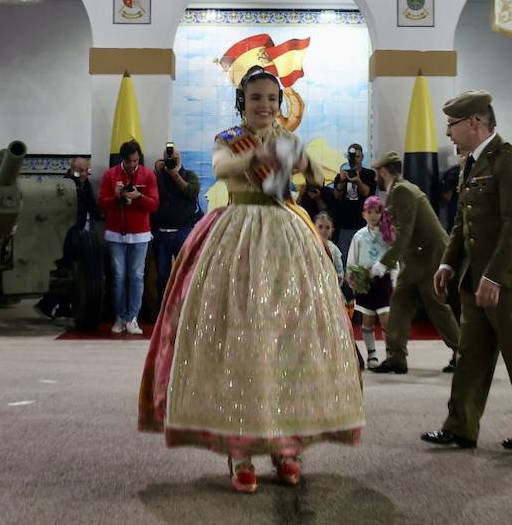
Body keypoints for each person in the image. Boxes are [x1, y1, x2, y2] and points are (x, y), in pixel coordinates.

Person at [139, 65, 364, 493]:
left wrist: (304, 163)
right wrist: (263, 156)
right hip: (237, 235)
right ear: (243, 101)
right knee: (240, 339)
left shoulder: (289, 140)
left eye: (272, 99)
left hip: (288, 237)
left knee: (291, 340)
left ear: (281, 105)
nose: (264, 105)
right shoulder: (229, 137)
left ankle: (287, 445)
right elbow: (224, 167)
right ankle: (239, 450)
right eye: (256, 98)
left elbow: (317, 175)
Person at [422, 90, 512, 451]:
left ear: (475, 123)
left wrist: (495, 276)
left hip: (511, 277)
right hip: (477, 277)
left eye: (452, 124)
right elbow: (463, 224)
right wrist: (449, 262)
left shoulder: (509, 162)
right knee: (472, 356)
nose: (448, 132)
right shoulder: (472, 163)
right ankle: (460, 426)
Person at [369, 152, 460, 375]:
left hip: (428, 258)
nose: (375, 178)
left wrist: (385, 263)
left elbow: (405, 232)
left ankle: (464, 354)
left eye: (376, 173)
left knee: (436, 307)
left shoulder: (402, 191)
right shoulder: (399, 190)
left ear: (383, 171)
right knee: (400, 304)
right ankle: (396, 357)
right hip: (416, 258)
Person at [98, 140, 158, 334]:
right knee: (118, 276)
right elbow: (102, 204)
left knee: (137, 276)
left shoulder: (148, 175)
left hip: (140, 235)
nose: (132, 164)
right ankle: (119, 317)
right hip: (116, 234)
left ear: (139, 157)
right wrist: (116, 197)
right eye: (129, 161)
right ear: (122, 159)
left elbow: (154, 205)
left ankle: (132, 318)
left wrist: (138, 197)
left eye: (135, 160)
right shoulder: (110, 175)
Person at [36, 157, 98, 319]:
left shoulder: (85, 185)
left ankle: (59, 307)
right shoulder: (64, 186)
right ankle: (48, 305)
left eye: (87, 170)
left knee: (70, 273)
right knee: (66, 273)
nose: (85, 174)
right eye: (81, 171)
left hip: (75, 235)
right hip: (63, 237)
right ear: (72, 170)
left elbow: (92, 208)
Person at [347, 195, 396, 368]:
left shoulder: (388, 234)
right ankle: (372, 354)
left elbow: (393, 258)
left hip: (382, 281)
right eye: (370, 212)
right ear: (363, 214)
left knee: (386, 319)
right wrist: (352, 278)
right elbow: (353, 259)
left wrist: (395, 280)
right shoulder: (359, 236)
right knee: (367, 320)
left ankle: (391, 353)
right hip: (364, 282)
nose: (373, 215)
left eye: (377, 211)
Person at [151, 142, 200, 302]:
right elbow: (150, 192)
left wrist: (175, 175)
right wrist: (157, 170)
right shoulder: (158, 177)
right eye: (169, 160)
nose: (173, 162)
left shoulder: (189, 175)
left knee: (185, 272)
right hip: (162, 233)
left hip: (183, 231)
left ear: (181, 160)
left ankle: (184, 306)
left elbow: (192, 192)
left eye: (176, 159)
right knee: (162, 274)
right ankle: (163, 307)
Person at [330, 142, 377, 256]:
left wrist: (357, 181)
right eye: (352, 157)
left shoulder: (369, 174)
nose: (354, 160)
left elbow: (368, 193)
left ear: (362, 157)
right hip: (345, 224)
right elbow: (336, 196)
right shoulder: (342, 175)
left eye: (357, 156)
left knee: (363, 257)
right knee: (345, 257)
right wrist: (341, 181)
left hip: (363, 225)